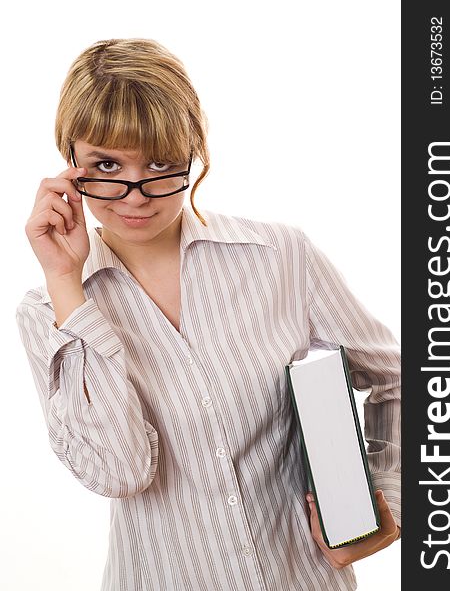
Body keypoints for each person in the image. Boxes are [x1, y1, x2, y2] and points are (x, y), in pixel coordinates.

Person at [15, 38, 401, 591]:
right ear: (69, 164)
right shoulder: (49, 310)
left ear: (193, 151)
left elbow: (402, 379)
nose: (135, 194)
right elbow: (119, 472)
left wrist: (390, 497)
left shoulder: (281, 258)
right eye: (106, 165)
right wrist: (64, 283)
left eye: (159, 163)